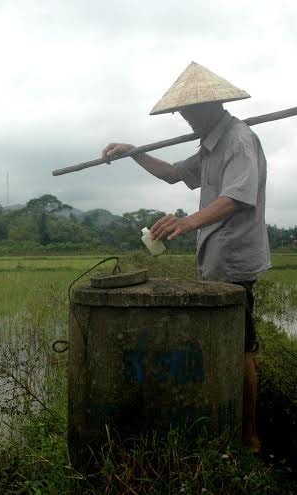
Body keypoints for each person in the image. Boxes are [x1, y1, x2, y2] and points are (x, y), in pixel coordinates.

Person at [101, 62, 270, 452]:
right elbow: (174, 174)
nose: (187, 119)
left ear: (211, 105)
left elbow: (235, 198)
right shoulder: (210, 145)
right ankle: (219, 419)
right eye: (183, 112)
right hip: (214, 259)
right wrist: (133, 152)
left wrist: (186, 221)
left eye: (191, 111)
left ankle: (249, 437)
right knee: (223, 342)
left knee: (240, 346)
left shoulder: (239, 140)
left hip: (234, 260)